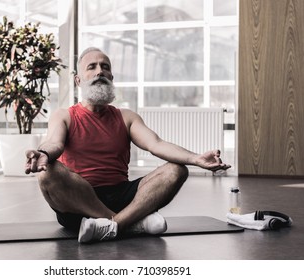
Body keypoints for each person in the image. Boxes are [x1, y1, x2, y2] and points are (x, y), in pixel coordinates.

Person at [25, 47, 231, 243]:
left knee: (176, 170)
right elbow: (54, 142)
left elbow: (156, 144)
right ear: (78, 80)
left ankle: (112, 225)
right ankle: (128, 223)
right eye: (92, 67)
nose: (100, 72)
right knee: (47, 172)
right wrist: (43, 152)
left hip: (121, 195)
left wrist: (196, 159)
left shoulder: (126, 117)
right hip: (78, 203)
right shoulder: (65, 115)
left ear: (112, 78)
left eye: (105, 67)